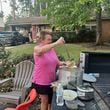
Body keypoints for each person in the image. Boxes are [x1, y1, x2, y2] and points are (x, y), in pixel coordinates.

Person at [31, 30, 68, 110]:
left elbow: (58, 62)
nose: (50, 41)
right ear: (41, 40)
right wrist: (57, 43)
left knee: (51, 101)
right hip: (41, 81)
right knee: (45, 101)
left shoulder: (51, 50)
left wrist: (66, 63)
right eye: (48, 39)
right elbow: (41, 51)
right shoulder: (37, 48)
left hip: (51, 81)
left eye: (51, 39)